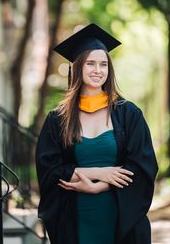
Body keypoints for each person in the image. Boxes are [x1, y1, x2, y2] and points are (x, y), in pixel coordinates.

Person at [35, 23, 158, 244]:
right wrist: (100, 172)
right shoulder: (57, 119)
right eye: (90, 63)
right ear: (78, 67)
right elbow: (49, 170)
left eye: (103, 64)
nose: (97, 70)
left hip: (121, 220)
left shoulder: (128, 114)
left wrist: (99, 186)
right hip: (74, 219)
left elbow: (142, 166)